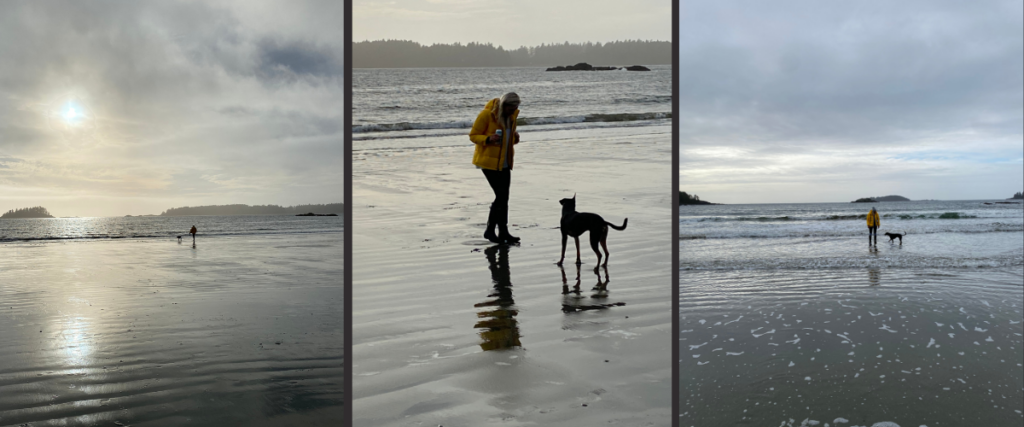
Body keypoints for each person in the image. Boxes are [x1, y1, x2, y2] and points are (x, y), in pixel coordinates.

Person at [469, 92, 521, 244]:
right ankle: (490, 230)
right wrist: (488, 139)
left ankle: (503, 231)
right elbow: (473, 135)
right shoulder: (486, 115)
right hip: (488, 162)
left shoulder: (511, 117)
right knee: (501, 196)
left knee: (504, 198)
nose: (513, 111)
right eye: (511, 108)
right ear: (504, 105)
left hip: (505, 162)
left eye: (515, 108)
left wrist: (514, 139)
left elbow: (508, 141)